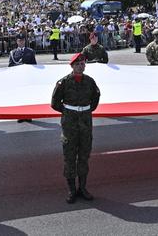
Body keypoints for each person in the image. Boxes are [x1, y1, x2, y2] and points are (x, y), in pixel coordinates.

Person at [51, 53, 101, 204]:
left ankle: (83, 188)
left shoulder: (90, 81)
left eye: (83, 64)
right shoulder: (64, 82)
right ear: (72, 66)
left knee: (84, 155)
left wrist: (85, 110)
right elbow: (54, 103)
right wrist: (69, 111)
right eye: (78, 64)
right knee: (70, 156)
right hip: (70, 123)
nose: (81, 66)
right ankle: (72, 190)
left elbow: (96, 97)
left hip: (85, 122)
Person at [9, 33, 37, 123]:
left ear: (25, 41)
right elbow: (10, 66)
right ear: (17, 42)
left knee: (28, 97)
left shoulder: (30, 51)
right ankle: (20, 115)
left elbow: (34, 65)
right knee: (19, 98)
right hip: (18, 79)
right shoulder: (13, 53)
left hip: (28, 78)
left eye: (23, 40)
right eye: (19, 41)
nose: (21, 42)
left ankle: (28, 115)